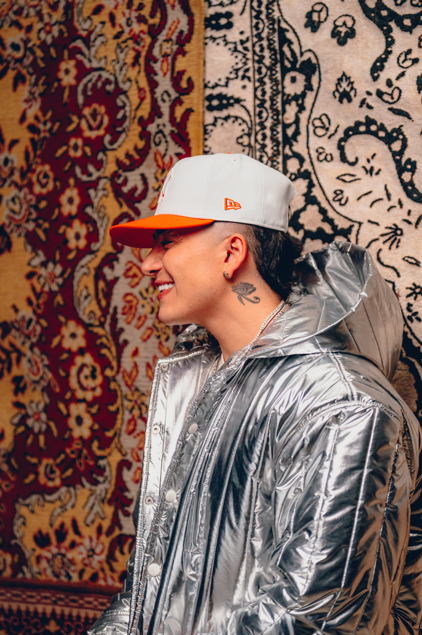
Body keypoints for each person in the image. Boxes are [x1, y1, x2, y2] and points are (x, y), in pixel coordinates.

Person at [88, 153, 421, 635]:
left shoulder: (343, 406)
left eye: (167, 242)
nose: (147, 263)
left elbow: (316, 617)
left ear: (231, 253)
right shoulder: (200, 382)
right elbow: (149, 586)